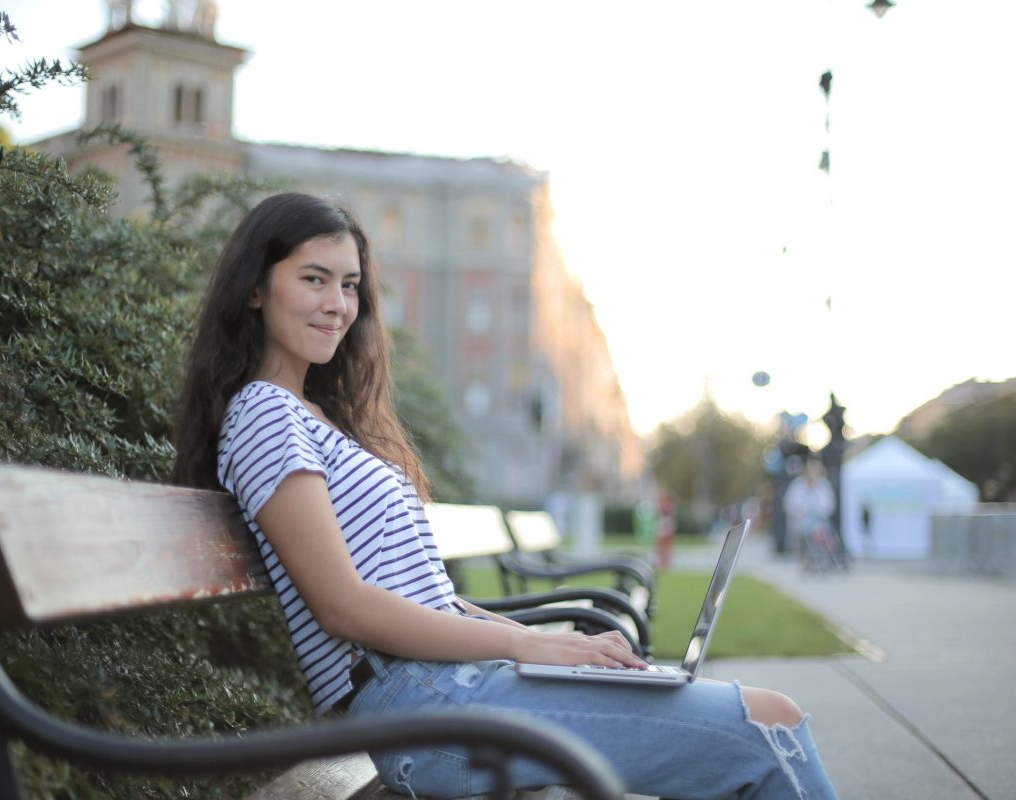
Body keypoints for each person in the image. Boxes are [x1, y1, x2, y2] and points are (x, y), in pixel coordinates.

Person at [172, 193, 838, 800]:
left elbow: (419, 594)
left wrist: (539, 642)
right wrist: (532, 648)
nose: (337, 304)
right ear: (256, 288)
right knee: (764, 726)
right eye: (313, 279)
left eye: (349, 285)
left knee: (751, 720)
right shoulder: (263, 413)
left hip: (444, 691)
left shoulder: (312, 416)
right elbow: (343, 606)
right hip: (425, 711)